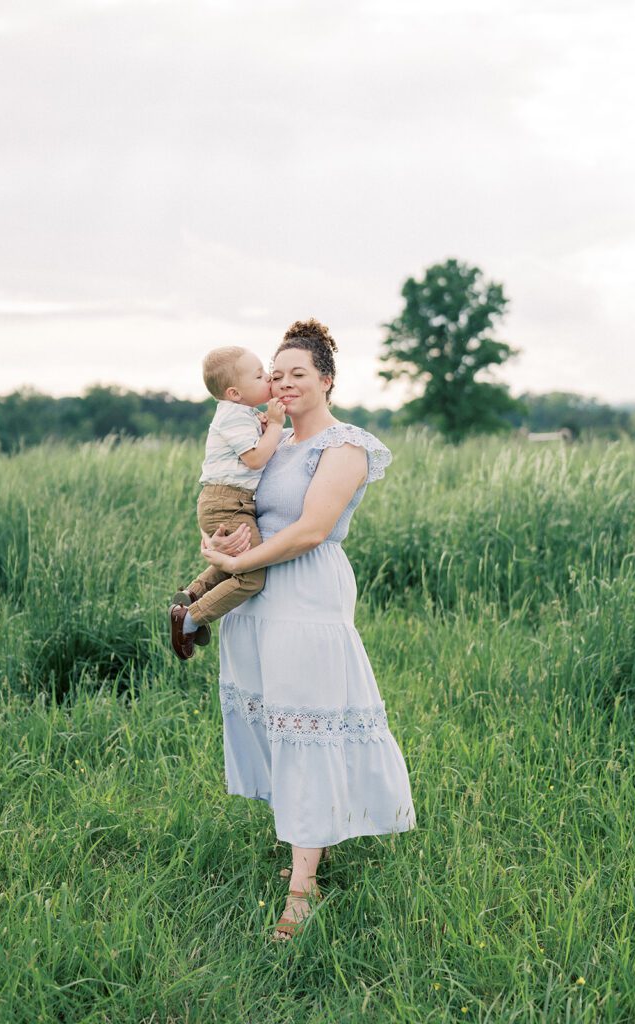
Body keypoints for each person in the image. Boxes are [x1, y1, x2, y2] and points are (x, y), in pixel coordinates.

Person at [200, 319, 417, 942]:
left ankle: (303, 892)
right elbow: (236, 502)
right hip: (256, 597)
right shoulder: (264, 438)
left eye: (299, 373)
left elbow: (313, 528)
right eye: (277, 372)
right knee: (277, 724)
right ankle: (307, 844)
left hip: (305, 594)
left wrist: (242, 563)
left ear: (326, 380)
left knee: (307, 724)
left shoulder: (345, 446)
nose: (285, 382)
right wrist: (217, 544)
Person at [169, 346, 287, 660]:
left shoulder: (242, 414)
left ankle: (192, 594)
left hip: (228, 500)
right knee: (251, 576)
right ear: (234, 393)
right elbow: (255, 459)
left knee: (236, 561)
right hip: (227, 501)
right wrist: (275, 426)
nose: (269, 378)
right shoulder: (233, 415)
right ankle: (190, 617)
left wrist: (263, 426)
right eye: (260, 375)